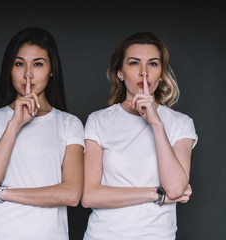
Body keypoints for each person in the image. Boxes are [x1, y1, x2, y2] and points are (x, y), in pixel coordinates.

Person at [0, 27, 84, 240]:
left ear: (52, 70)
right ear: (9, 69)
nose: (28, 74)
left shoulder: (70, 124)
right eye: (19, 63)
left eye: (38, 64)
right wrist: (15, 124)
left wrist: (2, 193)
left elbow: (72, 194)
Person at [81, 32, 198, 239]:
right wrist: (156, 194)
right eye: (134, 63)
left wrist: (156, 123)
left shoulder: (181, 124)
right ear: (120, 72)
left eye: (153, 64)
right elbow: (90, 196)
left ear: (161, 73)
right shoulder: (98, 121)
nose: (144, 73)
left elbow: (175, 189)